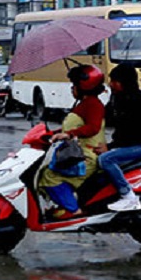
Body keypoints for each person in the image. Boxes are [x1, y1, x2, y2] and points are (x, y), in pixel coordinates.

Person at [39, 64, 107, 220]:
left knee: (49, 176)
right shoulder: (83, 104)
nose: (72, 89)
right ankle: (65, 204)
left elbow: (93, 128)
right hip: (77, 154)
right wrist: (50, 134)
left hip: (86, 157)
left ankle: (73, 209)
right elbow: (71, 128)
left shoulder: (93, 105)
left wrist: (69, 134)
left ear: (83, 87)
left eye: (74, 85)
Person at [99, 63, 141, 211]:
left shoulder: (136, 102)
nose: (111, 84)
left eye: (114, 81)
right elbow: (105, 116)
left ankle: (128, 196)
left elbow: (128, 133)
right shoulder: (118, 98)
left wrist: (110, 147)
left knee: (106, 159)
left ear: (124, 82)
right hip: (131, 143)